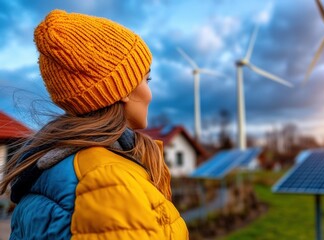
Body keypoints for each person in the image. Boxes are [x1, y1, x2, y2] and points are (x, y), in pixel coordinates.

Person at [0, 9, 188, 239]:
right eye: (146, 79)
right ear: (123, 89)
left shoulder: (47, 170)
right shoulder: (108, 180)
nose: (150, 93)